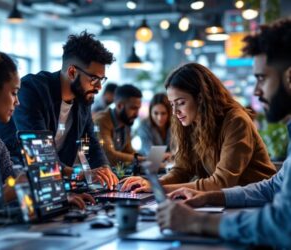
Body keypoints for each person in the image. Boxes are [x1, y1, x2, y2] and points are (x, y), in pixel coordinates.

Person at [156, 18, 291, 247]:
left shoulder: (235, 120)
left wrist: (199, 222)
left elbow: (283, 224)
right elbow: (272, 187)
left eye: (262, 78)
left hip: (255, 217)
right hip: (245, 213)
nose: (256, 92)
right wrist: (207, 197)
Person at [121, 63, 276, 193]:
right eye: (172, 104)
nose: (174, 112)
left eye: (181, 103)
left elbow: (221, 183)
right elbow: (182, 170)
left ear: (201, 98)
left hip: (261, 202)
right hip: (231, 202)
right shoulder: (192, 124)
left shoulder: (236, 121)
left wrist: (157, 189)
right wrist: (153, 184)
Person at [12, 31, 118, 189]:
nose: (99, 87)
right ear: (72, 72)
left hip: (52, 185)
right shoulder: (32, 90)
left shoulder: (82, 101)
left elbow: (90, 143)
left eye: (102, 79)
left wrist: (105, 171)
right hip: (16, 186)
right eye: (94, 78)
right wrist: (81, 174)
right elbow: (40, 157)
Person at [0, 49, 93, 209]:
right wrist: (7, 194)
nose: (17, 102)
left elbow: (15, 195)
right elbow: (8, 194)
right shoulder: (36, 90)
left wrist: (58, 199)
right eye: (13, 93)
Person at [93, 84, 145, 166]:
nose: (137, 114)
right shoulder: (101, 121)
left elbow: (128, 151)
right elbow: (109, 155)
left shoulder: (125, 121)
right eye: (133, 108)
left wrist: (147, 159)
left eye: (138, 108)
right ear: (120, 106)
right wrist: (140, 159)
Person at [137, 93, 171, 157]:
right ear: (150, 112)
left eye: (163, 113)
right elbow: (151, 154)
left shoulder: (174, 125)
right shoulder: (144, 126)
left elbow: (179, 150)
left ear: (169, 113)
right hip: (148, 163)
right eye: (156, 113)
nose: (159, 118)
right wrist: (171, 155)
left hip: (170, 163)